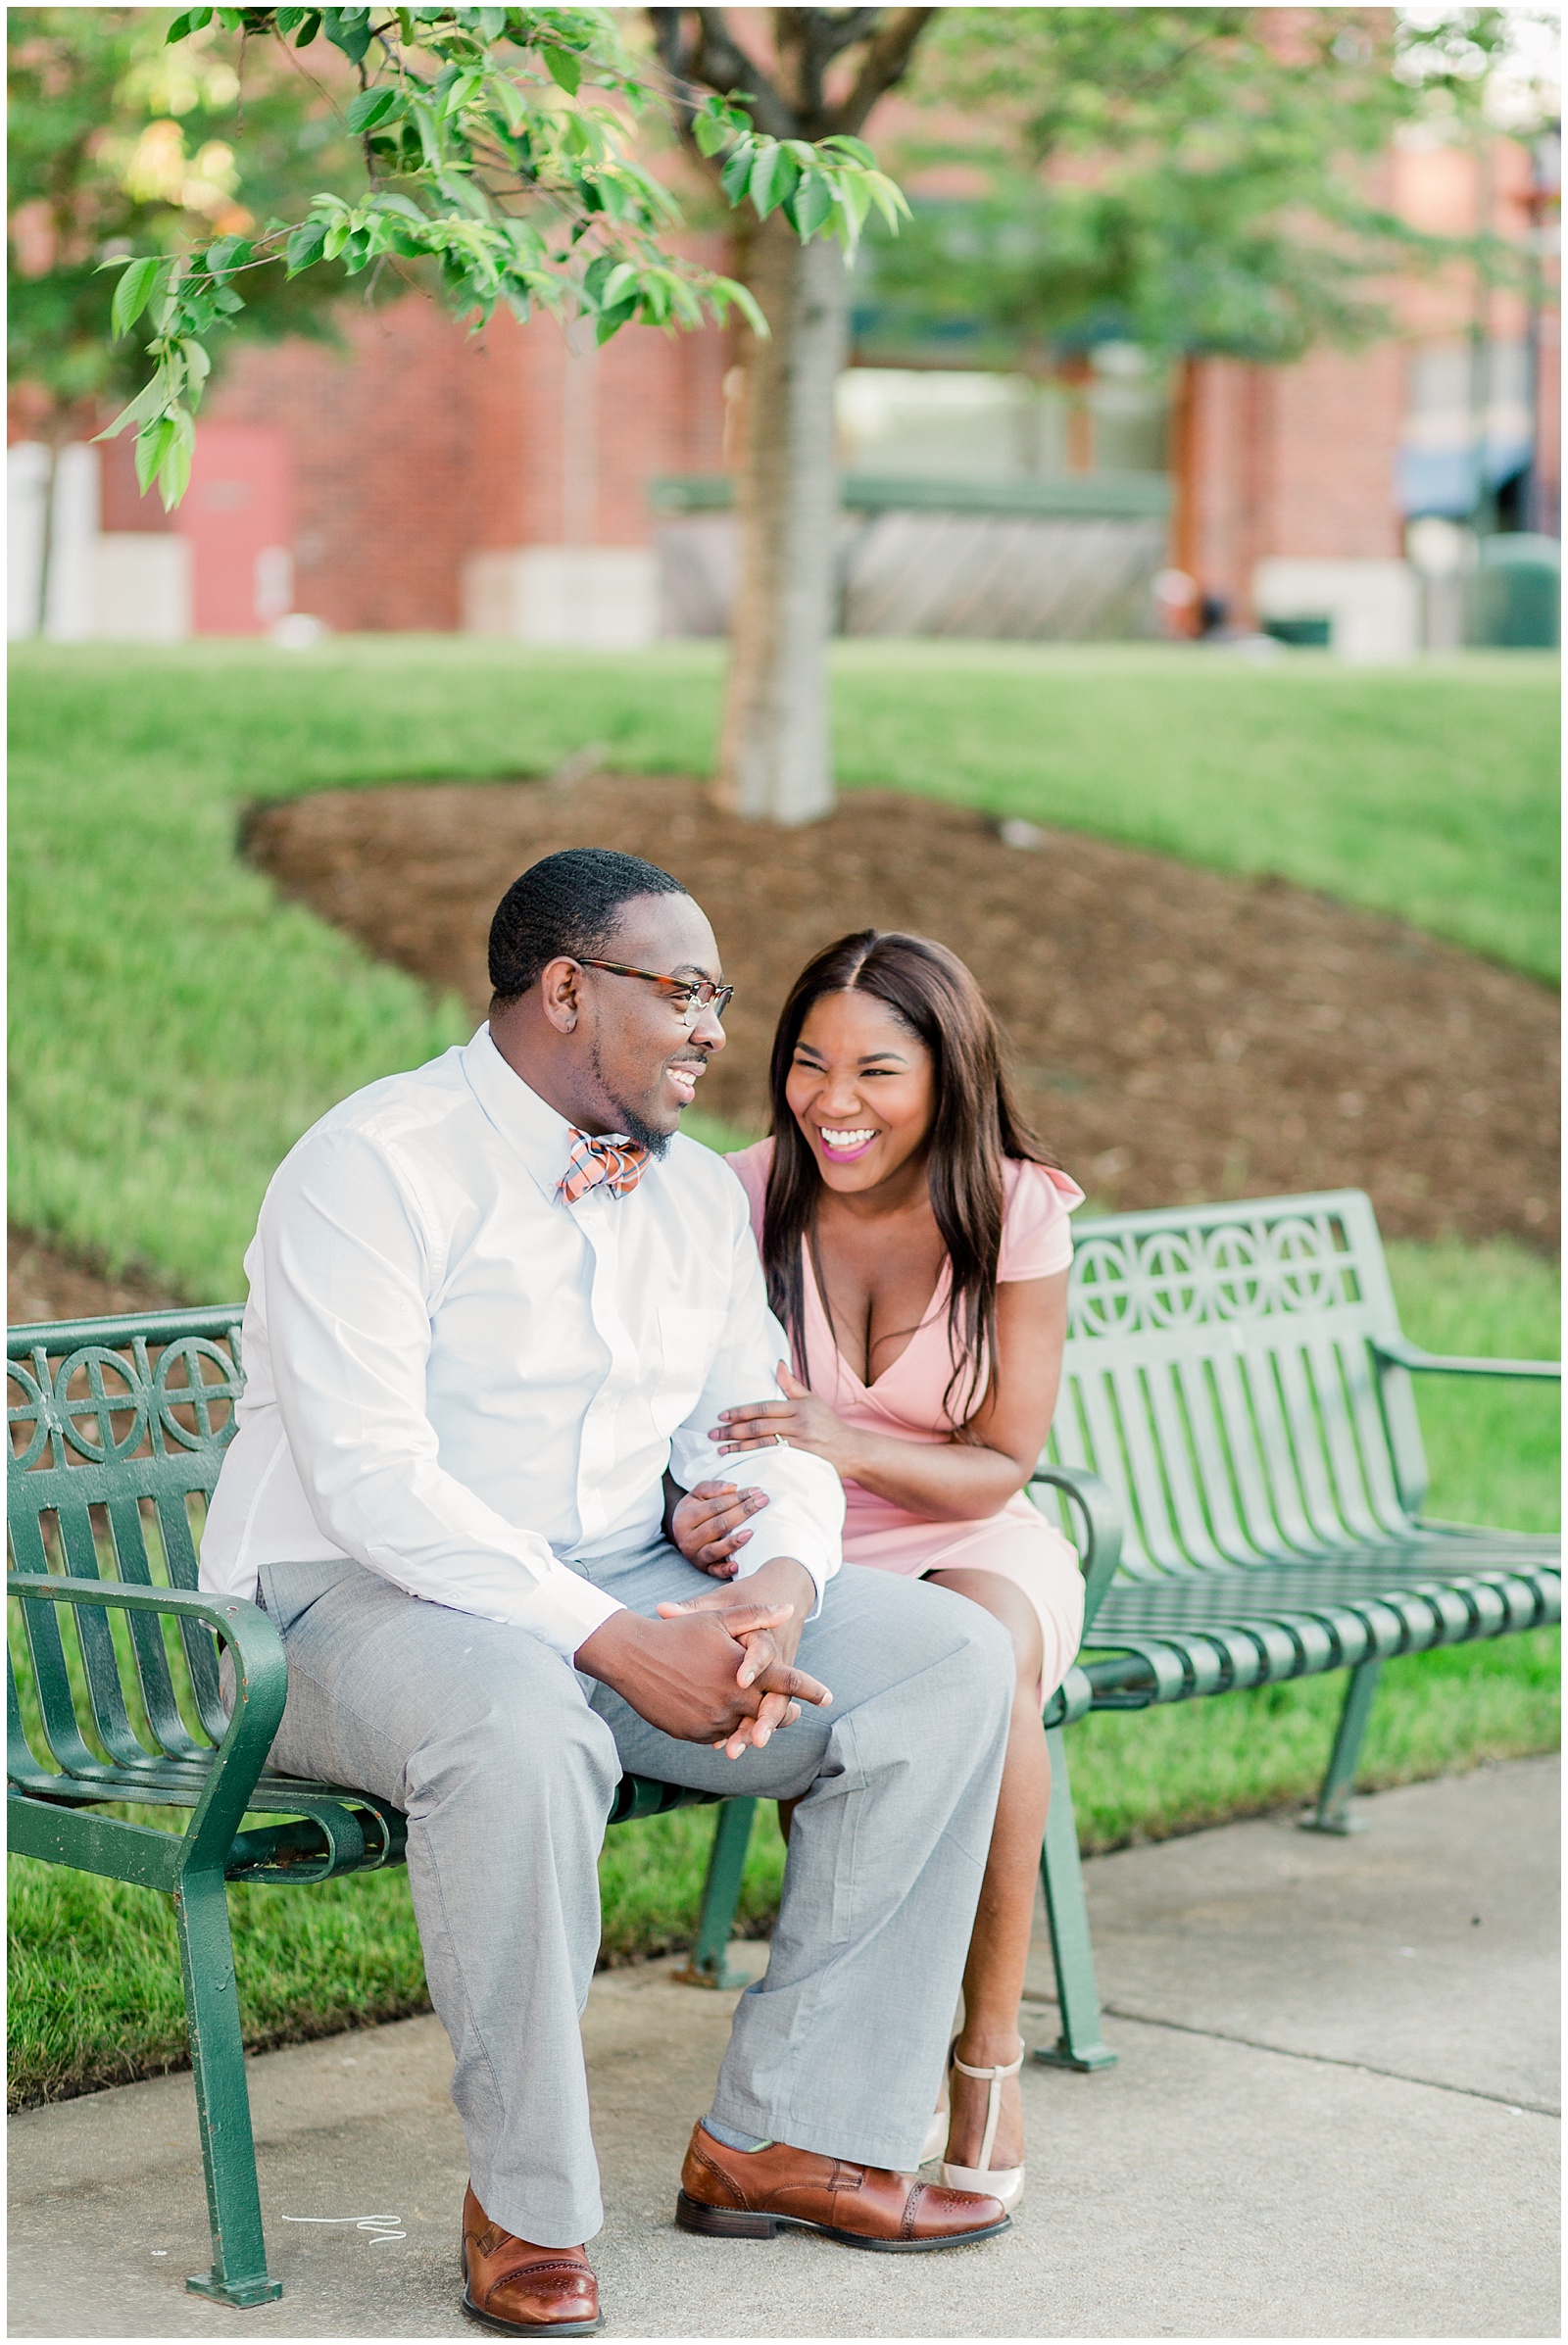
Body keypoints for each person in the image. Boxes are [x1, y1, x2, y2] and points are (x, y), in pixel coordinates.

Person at [200, 853, 1019, 2336]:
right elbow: (376, 1481)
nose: (717, 1028)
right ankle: (530, 2206)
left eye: (719, 996)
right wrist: (617, 1643)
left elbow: (745, 1429)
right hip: (344, 1604)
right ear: (567, 986)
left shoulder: (693, 1193)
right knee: (528, 1730)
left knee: (949, 1658)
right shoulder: (373, 1162)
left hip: (622, 1581)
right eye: (684, 990)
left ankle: (791, 2133)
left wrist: (774, 1582)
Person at [669, 930, 1085, 2217]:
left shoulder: (1013, 1207)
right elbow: (660, 1405)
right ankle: (855, 2064)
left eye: (876, 1070)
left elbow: (1004, 1462)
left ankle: (984, 2050)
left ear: (947, 1074)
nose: (833, 1101)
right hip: (802, 1545)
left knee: (984, 1663)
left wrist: (843, 1437)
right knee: (874, 1681)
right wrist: (691, 1505)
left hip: (968, 1530)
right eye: (807, 1063)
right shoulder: (733, 1195)